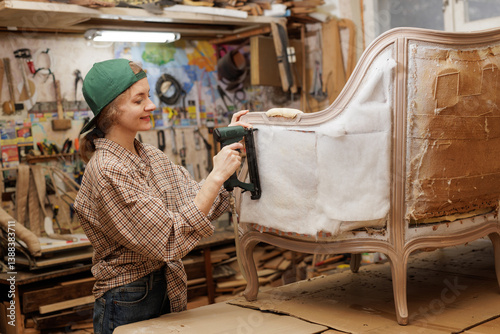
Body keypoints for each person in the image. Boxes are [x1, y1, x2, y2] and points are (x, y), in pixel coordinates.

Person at [73, 58, 250, 334]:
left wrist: (233, 150)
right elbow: (169, 240)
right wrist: (216, 176)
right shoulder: (108, 171)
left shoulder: (149, 155)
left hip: (165, 286)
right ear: (111, 112)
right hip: (129, 299)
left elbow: (197, 202)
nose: (151, 105)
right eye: (138, 100)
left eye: (149, 95)